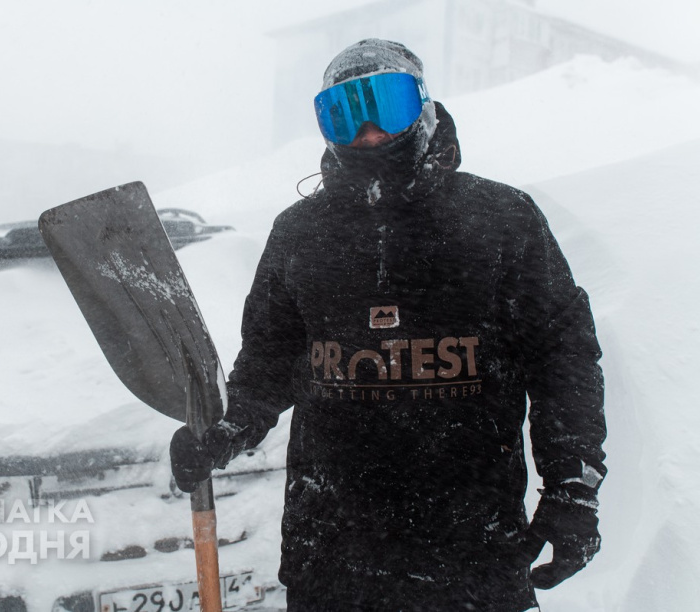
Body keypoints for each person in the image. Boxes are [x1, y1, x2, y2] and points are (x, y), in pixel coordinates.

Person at [170, 39, 606, 612]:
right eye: (347, 113)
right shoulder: (301, 233)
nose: (370, 132)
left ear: (424, 106)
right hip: (334, 556)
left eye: (387, 105)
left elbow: (563, 361)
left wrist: (573, 488)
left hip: (472, 552)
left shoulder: (501, 219)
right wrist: (230, 428)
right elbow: (269, 361)